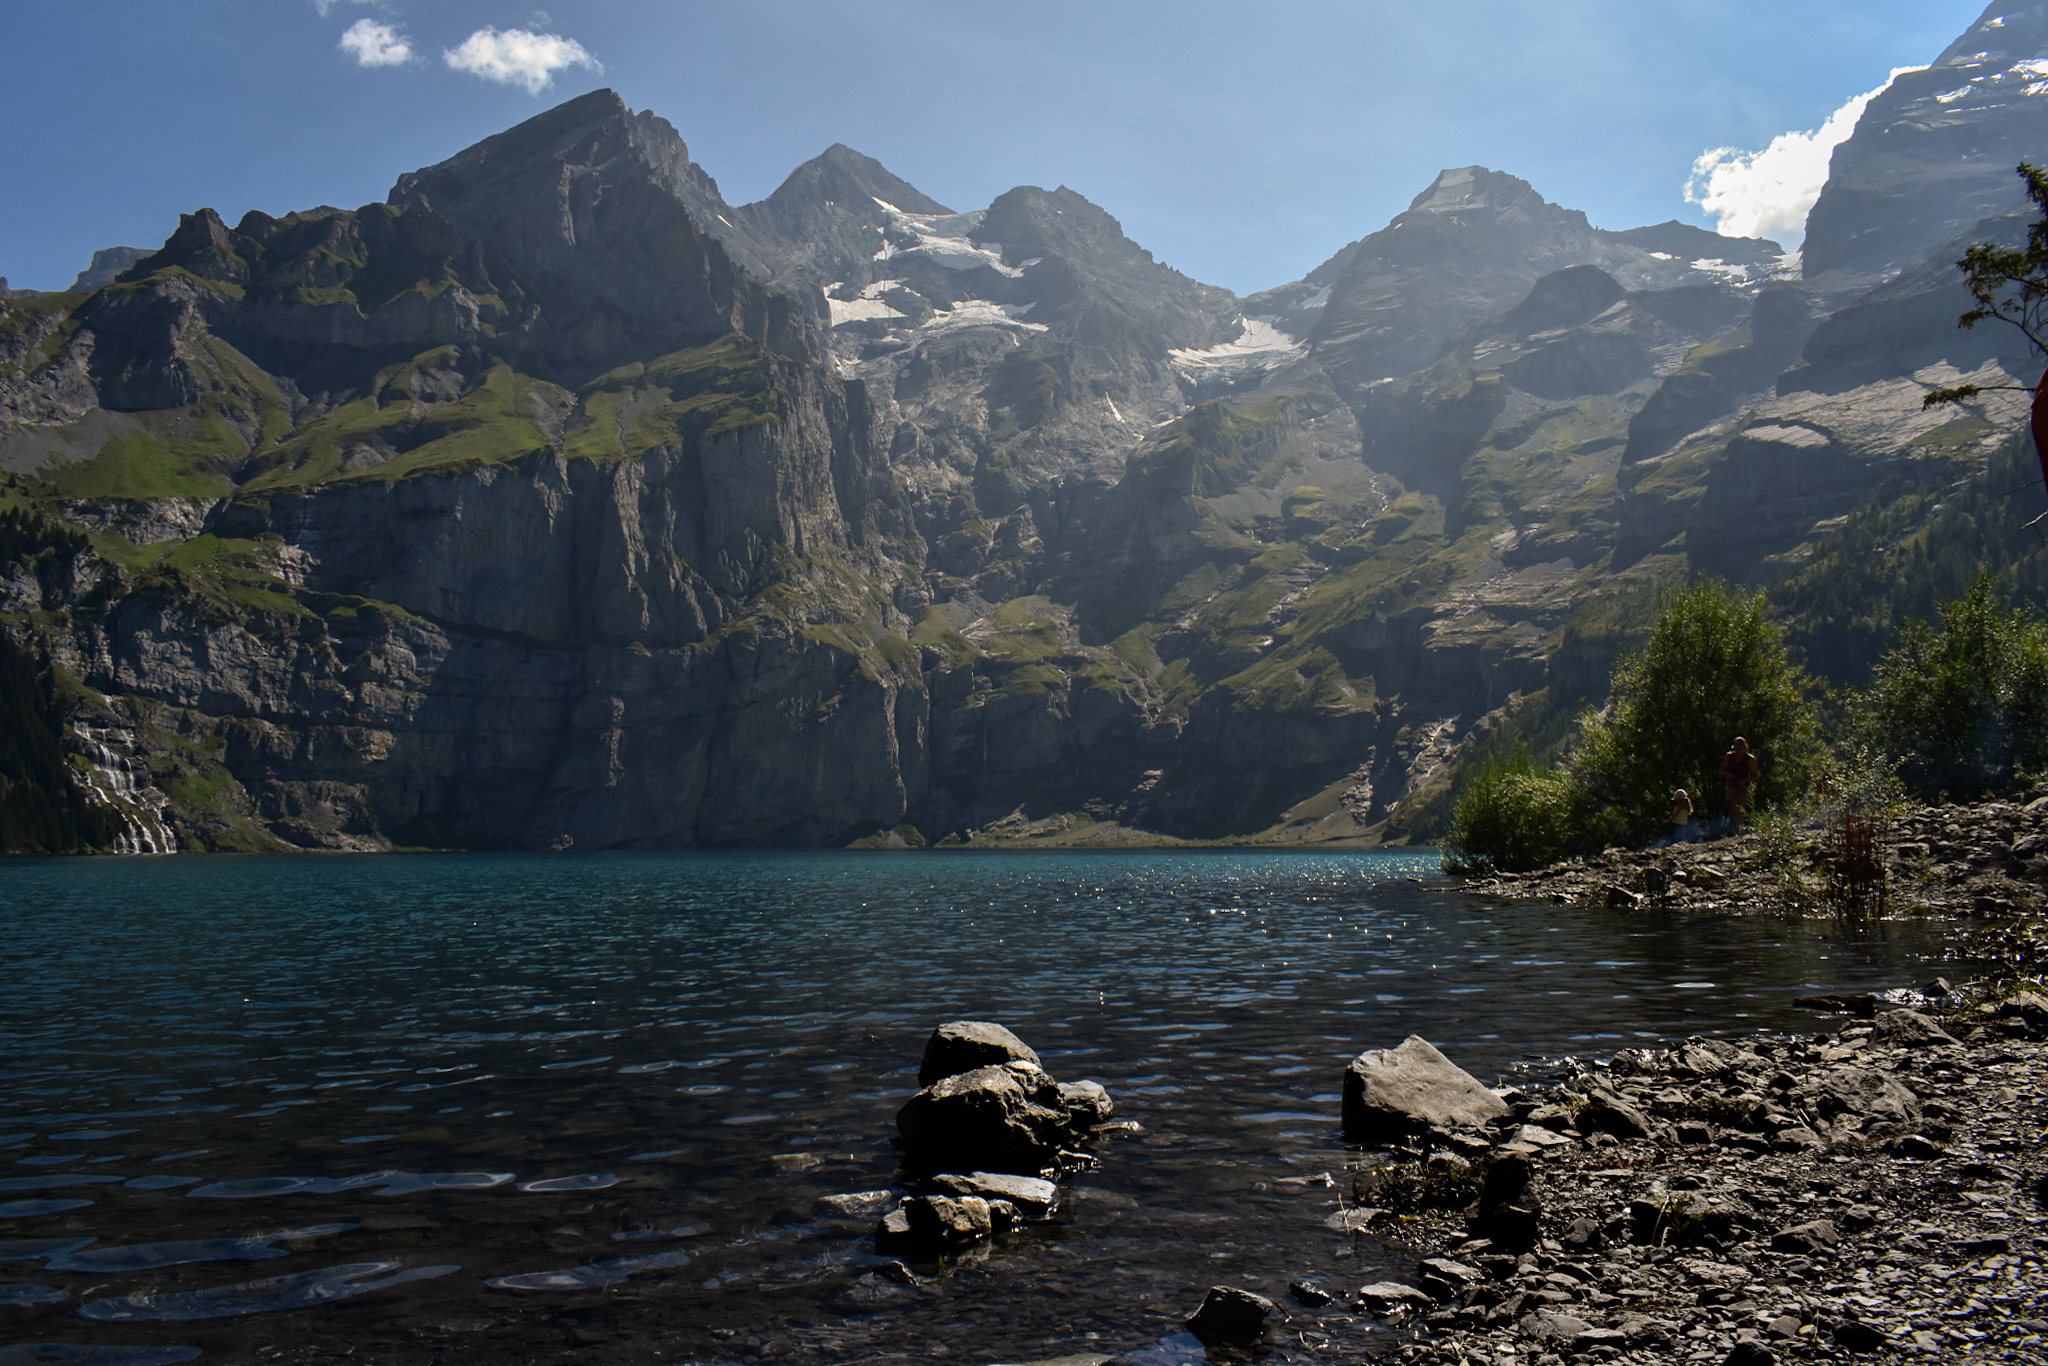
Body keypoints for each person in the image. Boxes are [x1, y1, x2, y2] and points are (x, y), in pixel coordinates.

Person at [1723, 737, 1761, 830]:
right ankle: (1734, 827)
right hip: (1731, 785)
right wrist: (1728, 774)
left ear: (1744, 748)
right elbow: (1723, 770)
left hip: (1744, 786)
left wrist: (1745, 780)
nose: (1737, 751)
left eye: (1739, 749)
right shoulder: (1729, 756)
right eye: (1736, 749)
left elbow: (1756, 775)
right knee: (1733, 806)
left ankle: (1740, 827)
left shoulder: (1750, 759)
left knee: (1741, 805)